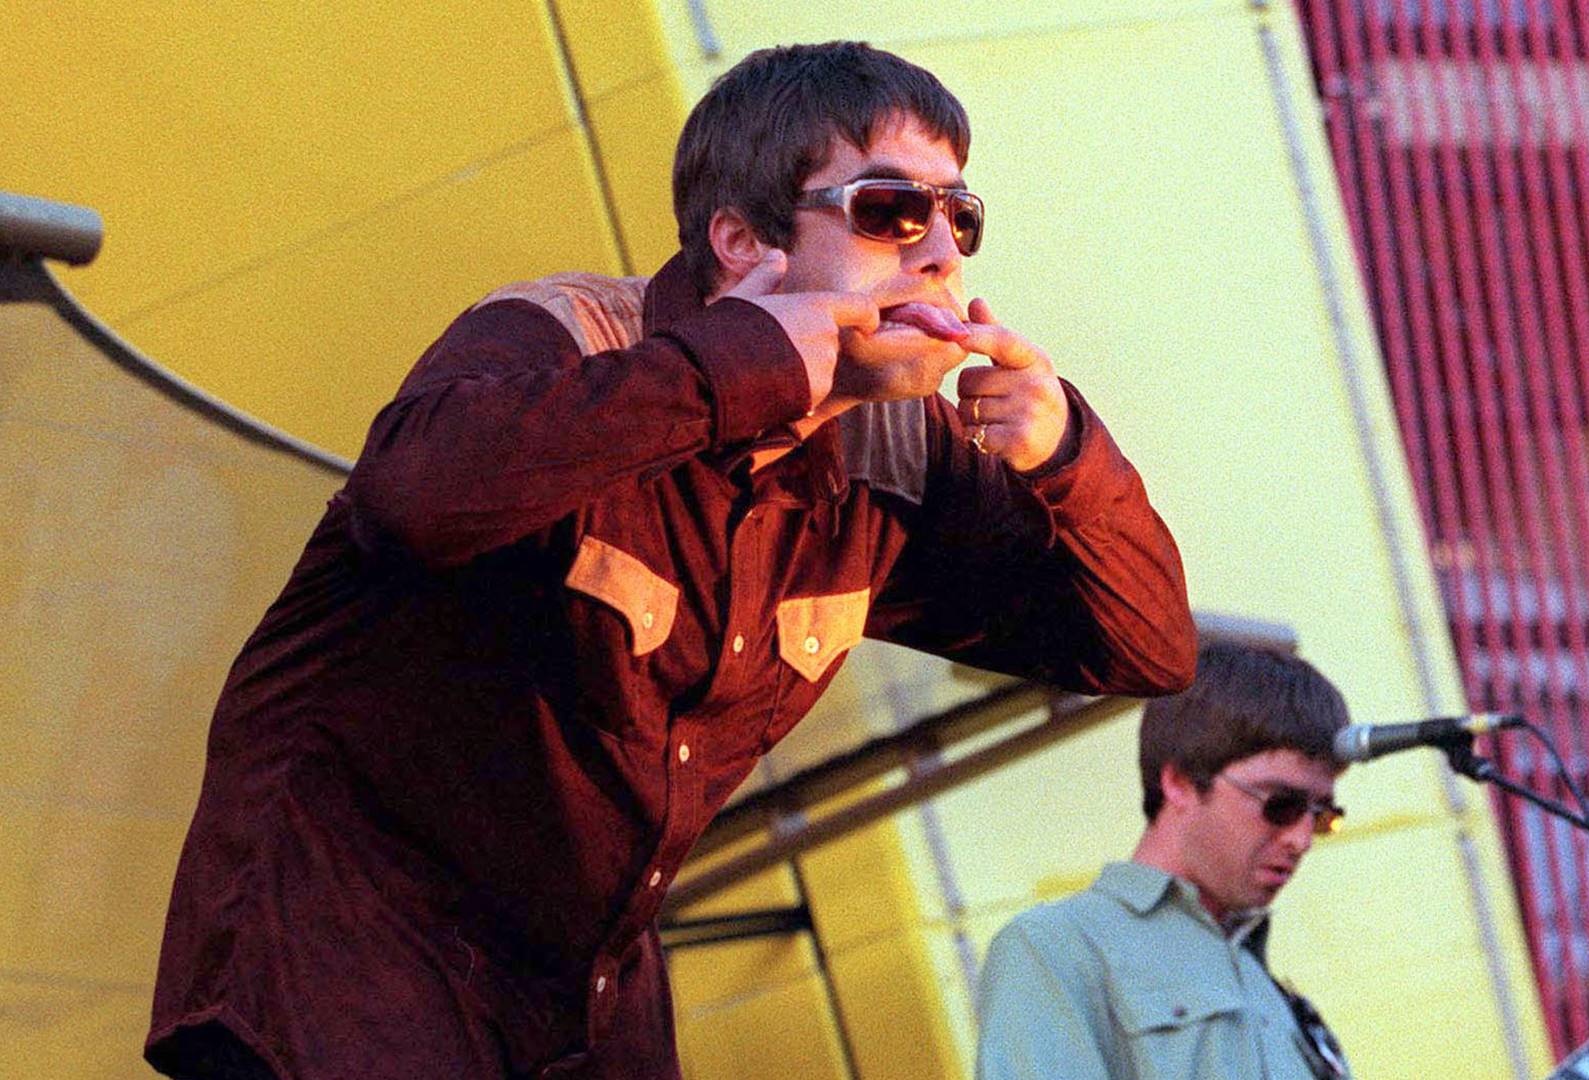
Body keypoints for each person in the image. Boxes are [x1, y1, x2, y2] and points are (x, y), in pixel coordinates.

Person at [146, 41, 1196, 1080]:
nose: (940, 255)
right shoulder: (565, 335)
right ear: (740, 241)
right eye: (891, 211)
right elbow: (412, 497)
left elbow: (1145, 650)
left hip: (577, 1004)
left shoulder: (895, 452)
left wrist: (1065, 457)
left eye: (958, 216)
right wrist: (746, 364)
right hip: (341, 965)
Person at [975, 641, 1355, 1080]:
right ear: (1179, 782)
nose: (1301, 839)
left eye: (1322, 815)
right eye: (1281, 804)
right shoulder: (1057, 948)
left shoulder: (1262, 981)